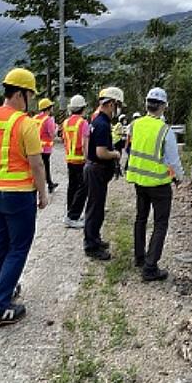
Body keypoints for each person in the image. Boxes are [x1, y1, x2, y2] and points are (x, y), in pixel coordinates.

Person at [0, 68, 51, 329]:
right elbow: (37, 165)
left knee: (0, 242)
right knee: (18, 247)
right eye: (30, 94)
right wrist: (43, 193)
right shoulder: (24, 123)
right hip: (19, 194)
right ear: (20, 94)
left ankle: (2, 289)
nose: (30, 100)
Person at [125, 87, 184, 282]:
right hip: (159, 184)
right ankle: (150, 268)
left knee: (140, 218)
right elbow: (173, 161)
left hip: (139, 182)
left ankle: (140, 257)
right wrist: (180, 177)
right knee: (160, 223)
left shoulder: (135, 124)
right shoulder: (165, 131)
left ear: (146, 105)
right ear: (164, 106)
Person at [83, 86, 124, 261]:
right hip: (97, 170)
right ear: (111, 104)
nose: (118, 109)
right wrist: (115, 154)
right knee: (95, 208)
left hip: (94, 169)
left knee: (97, 207)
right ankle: (91, 245)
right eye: (117, 105)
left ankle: (95, 239)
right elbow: (101, 152)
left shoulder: (97, 121)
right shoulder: (101, 124)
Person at [61, 94, 89, 229]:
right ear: (83, 108)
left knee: (72, 186)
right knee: (83, 187)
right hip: (80, 160)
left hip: (70, 159)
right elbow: (84, 144)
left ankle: (69, 212)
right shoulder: (83, 123)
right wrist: (88, 158)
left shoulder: (65, 122)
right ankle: (74, 216)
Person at [35, 98, 59, 193]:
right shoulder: (48, 120)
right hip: (45, 149)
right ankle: (48, 185)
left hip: (36, 147)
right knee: (46, 167)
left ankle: (48, 183)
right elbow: (52, 134)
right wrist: (56, 128)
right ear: (48, 108)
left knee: (38, 167)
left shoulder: (35, 118)